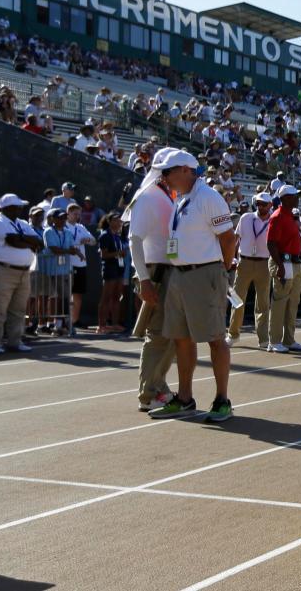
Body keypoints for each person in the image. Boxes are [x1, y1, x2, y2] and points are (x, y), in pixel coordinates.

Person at [148, 149, 236, 422]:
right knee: (181, 338)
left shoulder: (208, 197)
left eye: (168, 172)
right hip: (179, 274)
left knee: (214, 338)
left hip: (204, 274)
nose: (165, 178)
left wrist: (223, 269)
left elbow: (229, 239)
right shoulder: (183, 198)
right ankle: (185, 398)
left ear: (186, 170)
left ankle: (222, 400)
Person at [123, 147, 178, 411]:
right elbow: (134, 239)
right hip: (156, 272)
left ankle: (158, 386)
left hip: (167, 270)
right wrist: (144, 279)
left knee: (169, 334)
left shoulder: (164, 196)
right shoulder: (147, 197)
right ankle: (149, 393)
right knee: (157, 333)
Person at [0, 194, 43, 355]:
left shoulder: (21, 223)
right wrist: (28, 242)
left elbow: (39, 241)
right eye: (17, 206)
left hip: (24, 272)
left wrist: (23, 239)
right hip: (4, 271)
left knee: (19, 310)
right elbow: (12, 241)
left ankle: (15, 341)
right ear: (7, 208)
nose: (20, 209)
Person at [227, 192, 273, 348]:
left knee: (263, 303)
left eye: (264, 204)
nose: (260, 206)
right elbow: (236, 239)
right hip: (244, 262)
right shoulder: (246, 218)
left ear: (270, 205)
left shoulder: (273, 220)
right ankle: (233, 334)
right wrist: (230, 258)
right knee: (237, 299)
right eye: (259, 203)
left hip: (264, 263)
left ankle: (263, 339)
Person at [266, 185, 301, 353]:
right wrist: (280, 266)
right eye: (294, 196)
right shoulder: (277, 217)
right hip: (284, 262)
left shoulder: (291, 216)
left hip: (295, 263)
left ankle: (289, 340)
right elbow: (271, 243)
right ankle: (274, 340)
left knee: (293, 303)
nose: (297, 198)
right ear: (285, 198)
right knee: (279, 302)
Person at [43, 208, 78, 335]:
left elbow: (72, 247)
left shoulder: (67, 232)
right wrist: (70, 251)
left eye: (64, 217)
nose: (63, 220)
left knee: (66, 298)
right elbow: (54, 249)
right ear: (52, 219)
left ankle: (64, 324)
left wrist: (77, 252)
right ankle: (58, 325)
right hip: (53, 270)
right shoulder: (48, 231)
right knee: (58, 298)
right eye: (60, 218)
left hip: (66, 270)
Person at [65, 203, 95, 331]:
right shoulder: (64, 227)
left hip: (81, 264)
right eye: (74, 214)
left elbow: (94, 241)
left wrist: (87, 240)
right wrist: (78, 241)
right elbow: (66, 243)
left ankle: (75, 320)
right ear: (68, 214)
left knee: (78, 294)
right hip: (68, 264)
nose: (77, 216)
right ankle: (64, 321)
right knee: (66, 294)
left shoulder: (81, 227)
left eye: (78, 214)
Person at [96, 212, 126, 334]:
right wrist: (118, 254)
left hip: (119, 268)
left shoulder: (118, 236)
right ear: (110, 221)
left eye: (120, 220)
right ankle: (101, 326)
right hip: (109, 269)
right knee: (106, 298)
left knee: (116, 297)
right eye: (116, 220)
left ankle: (114, 324)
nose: (119, 222)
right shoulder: (104, 236)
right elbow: (103, 255)